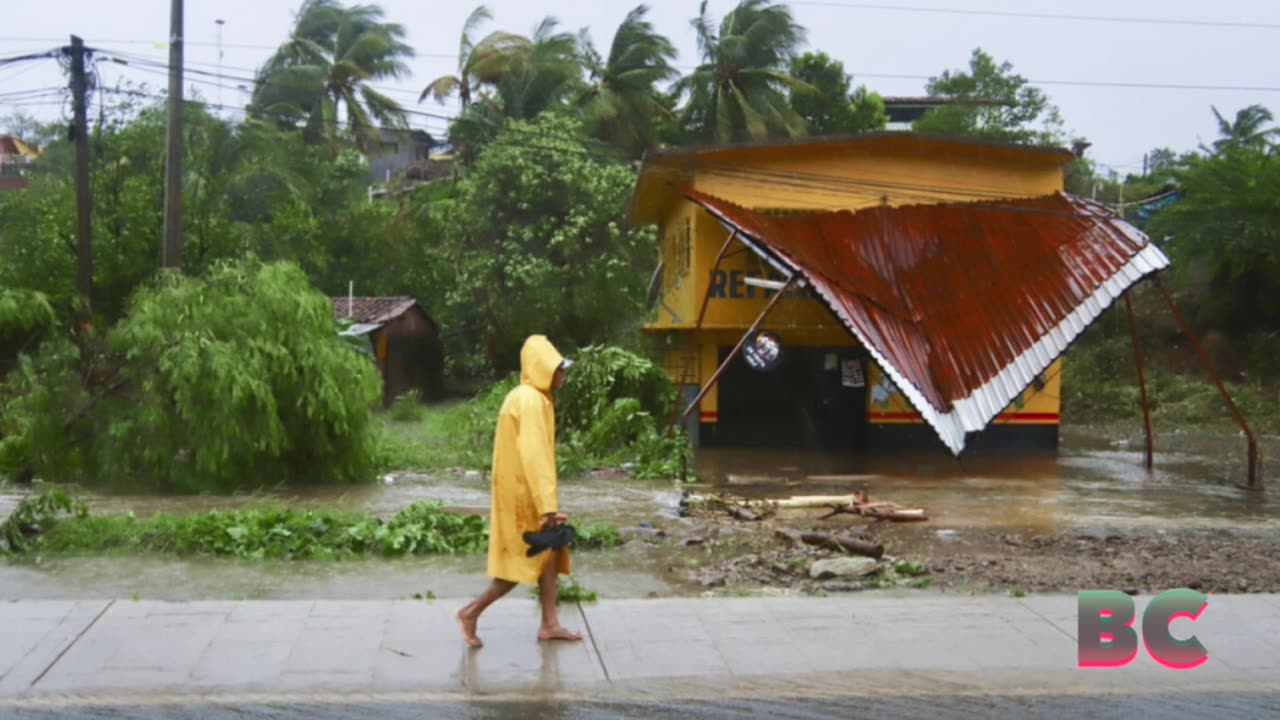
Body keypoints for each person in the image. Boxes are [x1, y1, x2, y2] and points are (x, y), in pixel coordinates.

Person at [457, 335, 584, 648]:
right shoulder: (529, 401)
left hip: (521, 493)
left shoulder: (528, 397)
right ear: (543, 369)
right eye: (559, 370)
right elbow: (534, 455)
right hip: (524, 498)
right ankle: (471, 612)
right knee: (520, 563)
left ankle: (550, 623)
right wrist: (547, 508)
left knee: (550, 552)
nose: (563, 375)